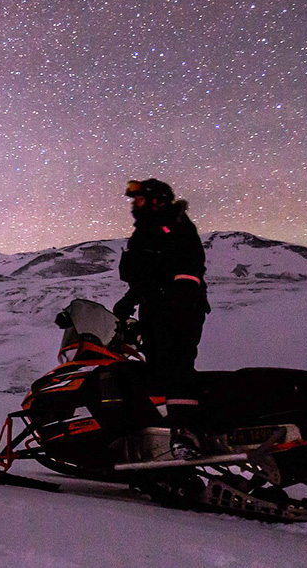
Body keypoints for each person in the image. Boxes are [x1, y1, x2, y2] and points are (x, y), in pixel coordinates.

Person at [113, 178, 210, 459]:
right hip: (156, 307)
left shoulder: (173, 225)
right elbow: (148, 274)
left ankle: (188, 435)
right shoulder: (148, 229)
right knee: (155, 369)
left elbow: (188, 265)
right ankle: (158, 435)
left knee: (175, 365)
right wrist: (130, 300)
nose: (134, 204)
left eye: (139, 199)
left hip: (178, 308)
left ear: (156, 199)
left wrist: (180, 299)